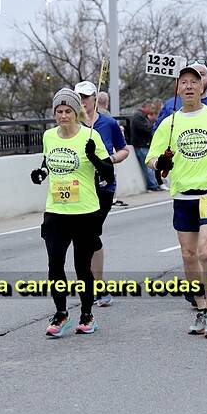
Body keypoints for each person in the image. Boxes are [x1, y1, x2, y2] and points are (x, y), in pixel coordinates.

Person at [146, 64, 207, 338]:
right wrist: (160, 163)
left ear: (203, 86)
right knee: (188, 256)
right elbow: (151, 157)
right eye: (184, 82)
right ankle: (201, 308)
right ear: (178, 88)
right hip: (182, 193)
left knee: (205, 252)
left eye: (194, 81)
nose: (189, 86)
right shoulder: (169, 123)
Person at [31, 88, 113, 337]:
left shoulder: (91, 136)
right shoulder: (48, 136)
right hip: (56, 211)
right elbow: (48, 162)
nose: (63, 116)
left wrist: (93, 157)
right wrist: (41, 173)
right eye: (59, 111)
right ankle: (61, 313)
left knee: (82, 267)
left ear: (76, 112)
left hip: (85, 211)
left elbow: (108, 173)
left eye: (68, 111)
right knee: (55, 264)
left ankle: (87, 314)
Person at [75, 80, 130, 307]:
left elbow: (124, 149)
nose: (83, 102)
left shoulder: (108, 123)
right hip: (78, 186)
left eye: (86, 97)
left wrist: (111, 159)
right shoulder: (71, 124)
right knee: (82, 236)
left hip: (103, 186)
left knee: (90, 234)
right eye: (79, 97)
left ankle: (97, 285)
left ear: (95, 99)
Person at [131, 100, 161, 191]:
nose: (151, 110)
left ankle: (154, 184)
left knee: (150, 167)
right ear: (146, 107)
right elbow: (146, 129)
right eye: (150, 107)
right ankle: (152, 185)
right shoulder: (138, 117)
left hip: (144, 144)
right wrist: (152, 127)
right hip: (141, 145)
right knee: (148, 167)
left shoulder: (142, 116)